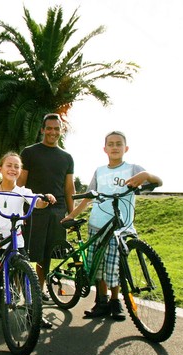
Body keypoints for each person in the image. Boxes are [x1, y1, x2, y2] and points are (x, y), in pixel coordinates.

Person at [61, 130, 163, 320]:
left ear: (126, 148)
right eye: (111, 144)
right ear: (104, 148)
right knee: (99, 265)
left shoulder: (133, 168)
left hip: (122, 224)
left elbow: (159, 181)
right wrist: (71, 215)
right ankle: (101, 302)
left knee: (116, 264)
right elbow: (87, 199)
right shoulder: (100, 171)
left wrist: (146, 174)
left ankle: (115, 301)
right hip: (98, 223)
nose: (115, 147)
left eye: (118, 144)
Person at [0, 152, 56, 324]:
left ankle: (33, 312)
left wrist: (45, 199)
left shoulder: (23, 191)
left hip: (17, 240)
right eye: (9, 165)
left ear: (21, 170)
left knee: (26, 276)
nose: (13, 169)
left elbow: (36, 202)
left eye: (17, 166)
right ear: (0, 169)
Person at [18, 113, 75, 302]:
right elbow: (21, 183)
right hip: (34, 211)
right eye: (49, 128)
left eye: (56, 128)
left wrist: (71, 214)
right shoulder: (29, 152)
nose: (53, 132)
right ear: (42, 129)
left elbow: (69, 189)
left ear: (61, 130)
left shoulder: (67, 157)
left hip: (57, 212)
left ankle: (39, 291)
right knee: (26, 254)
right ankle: (20, 293)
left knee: (46, 257)